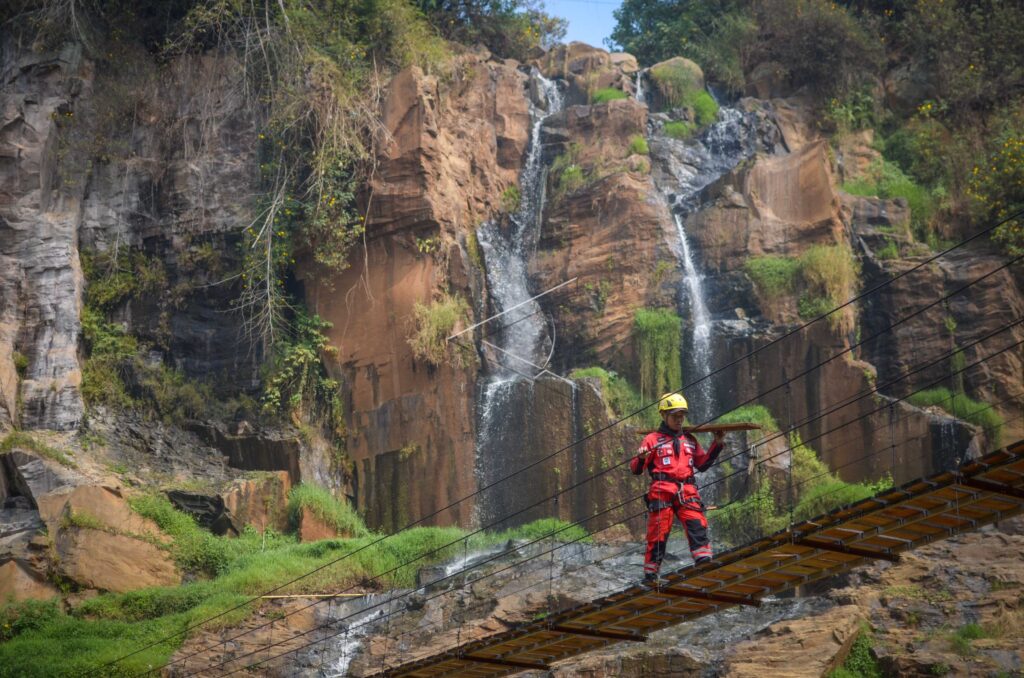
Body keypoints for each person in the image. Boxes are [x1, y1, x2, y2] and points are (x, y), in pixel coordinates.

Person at [630, 392, 724, 584]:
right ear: (664, 416)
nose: (679, 420)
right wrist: (640, 458)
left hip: (687, 490)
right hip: (661, 490)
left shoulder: (689, 439)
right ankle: (651, 574)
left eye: (682, 416)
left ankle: (703, 560)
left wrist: (718, 444)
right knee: (658, 532)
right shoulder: (652, 439)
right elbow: (636, 469)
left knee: (697, 523)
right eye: (675, 416)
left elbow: (703, 464)